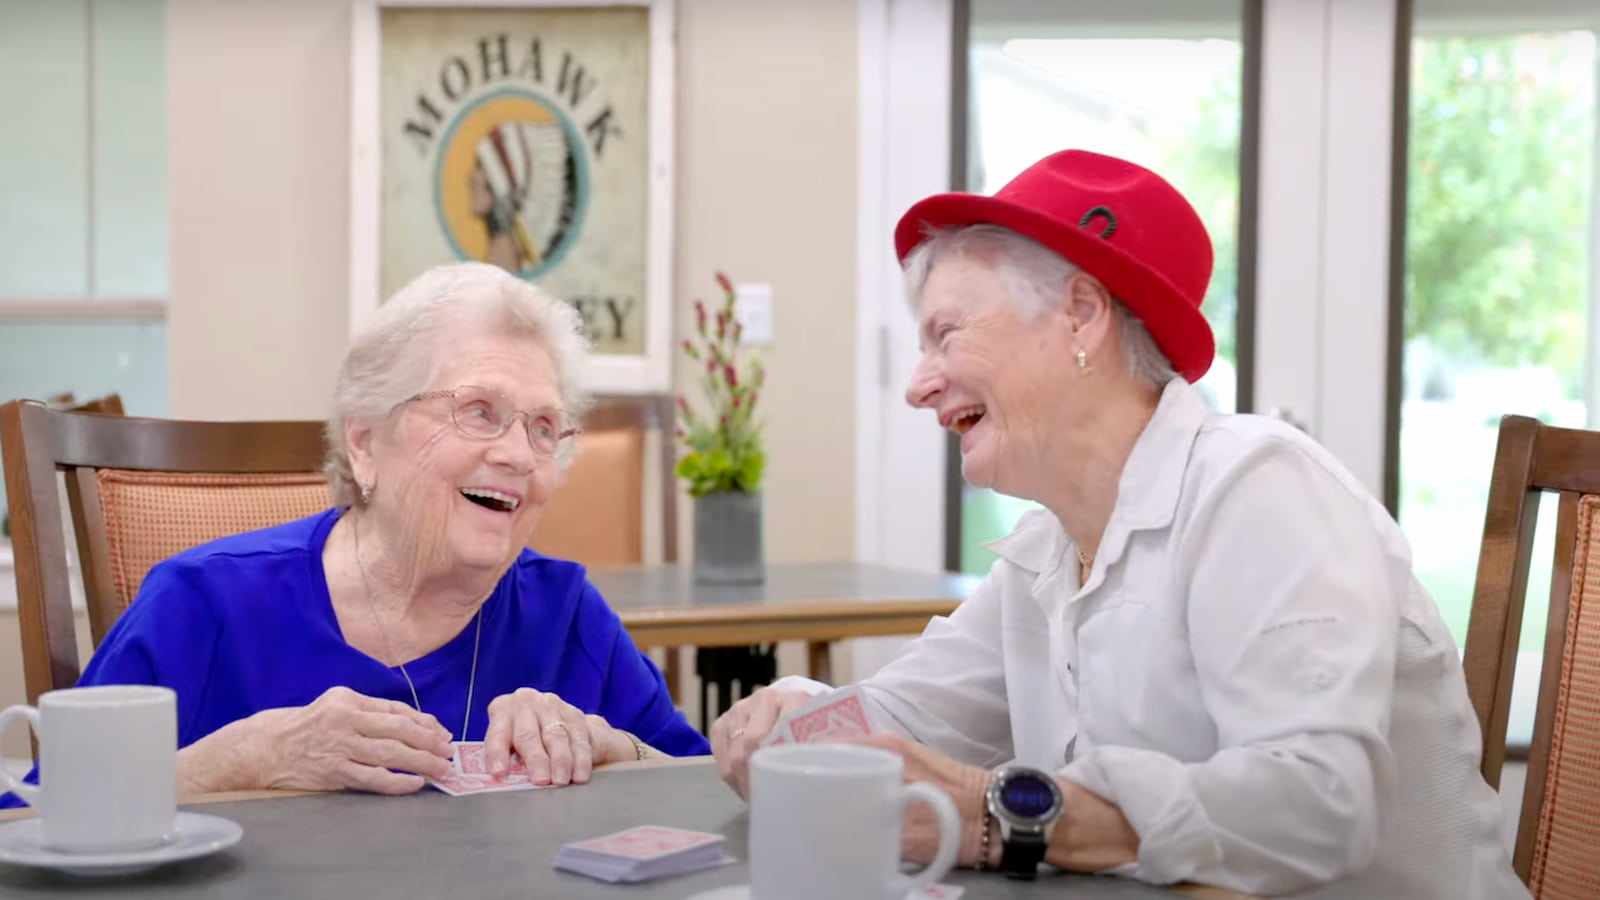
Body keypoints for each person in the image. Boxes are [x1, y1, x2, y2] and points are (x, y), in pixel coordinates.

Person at [710, 150, 1527, 899]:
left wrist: (1005, 813)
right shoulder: (1049, 552)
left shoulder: (1258, 487)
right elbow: (908, 718)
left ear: (1080, 316)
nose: (918, 387)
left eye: (946, 334)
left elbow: (1319, 802)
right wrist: (795, 712)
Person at [2, 262, 707, 809]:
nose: (521, 455)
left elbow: (699, 792)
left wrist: (614, 750)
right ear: (366, 443)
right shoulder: (204, 605)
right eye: (479, 411)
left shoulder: (566, 616)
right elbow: (31, 816)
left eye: (544, 427)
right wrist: (235, 763)